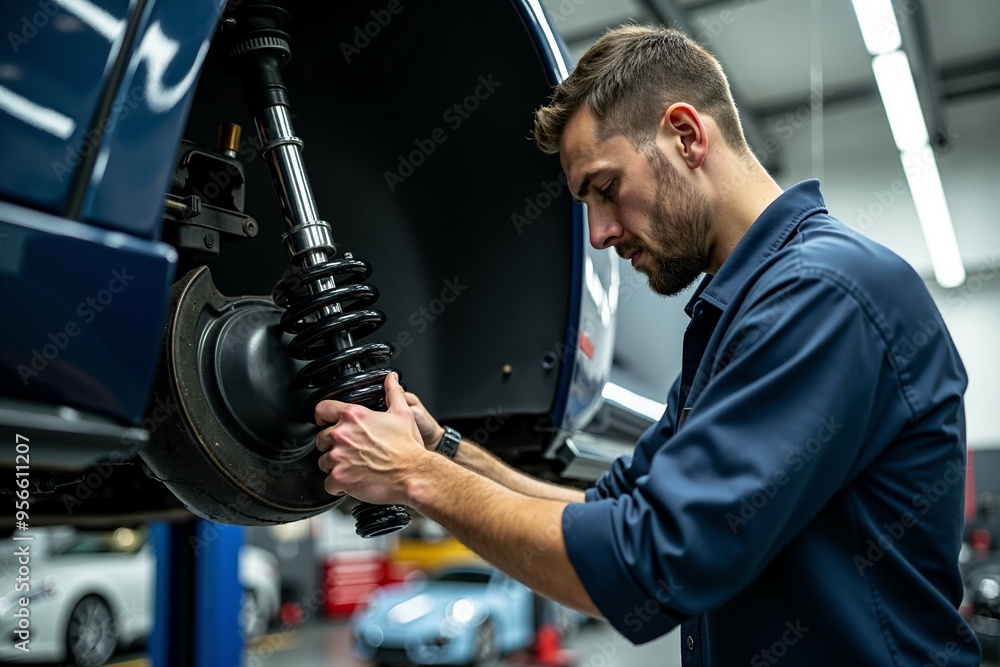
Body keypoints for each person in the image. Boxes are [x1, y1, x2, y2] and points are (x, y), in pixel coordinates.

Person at [313, 25, 977, 666]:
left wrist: (415, 478)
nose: (599, 232)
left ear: (686, 136)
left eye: (605, 188)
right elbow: (603, 512)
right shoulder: (735, 321)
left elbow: (653, 562)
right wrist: (441, 451)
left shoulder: (824, 295)